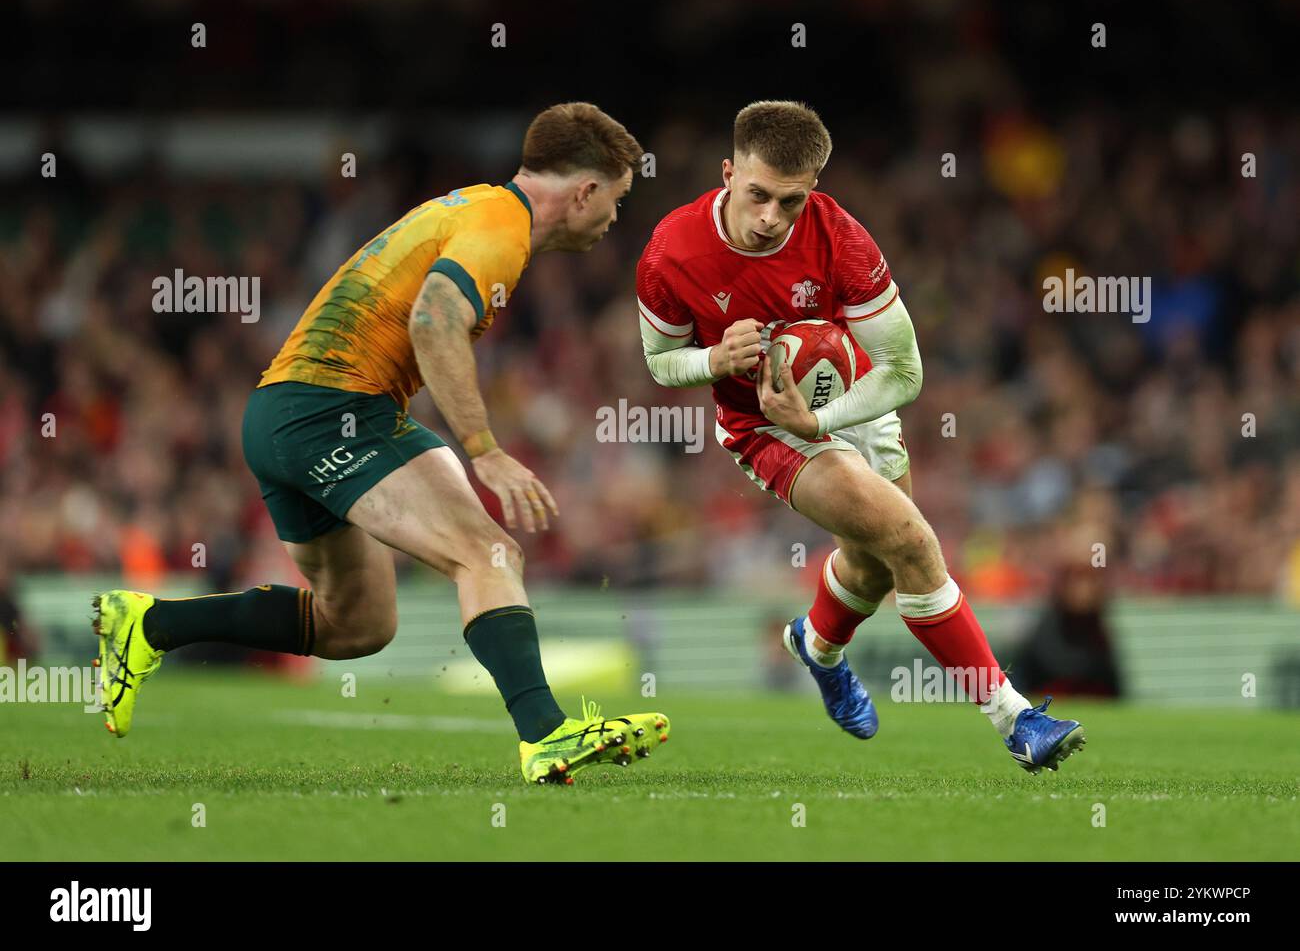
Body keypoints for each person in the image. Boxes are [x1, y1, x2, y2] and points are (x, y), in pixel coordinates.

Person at [93, 102, 669, 785]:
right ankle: (546, 736)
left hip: (291, 413)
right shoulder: (499, 229)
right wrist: (485, 449)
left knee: (355, 625)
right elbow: (432, 321)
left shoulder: (476, 210)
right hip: (328, 412)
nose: (613, 220)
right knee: (487, 552)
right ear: (585, 190)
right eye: (617, 200)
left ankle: (150, 625)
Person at [636, 100, 1084, 772]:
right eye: (757, 195)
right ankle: (1016, 720)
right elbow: (660, 360)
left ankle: (815, 645)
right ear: (728, 173)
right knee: (909, 539)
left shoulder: (841, 239)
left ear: (812, 188)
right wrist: (713, 362)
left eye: (790, 202)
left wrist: (818, 421)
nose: (769, 218)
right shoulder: (672, 252)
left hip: (851, 404)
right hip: (761, 428)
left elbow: (905, 371)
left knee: (874, 566)